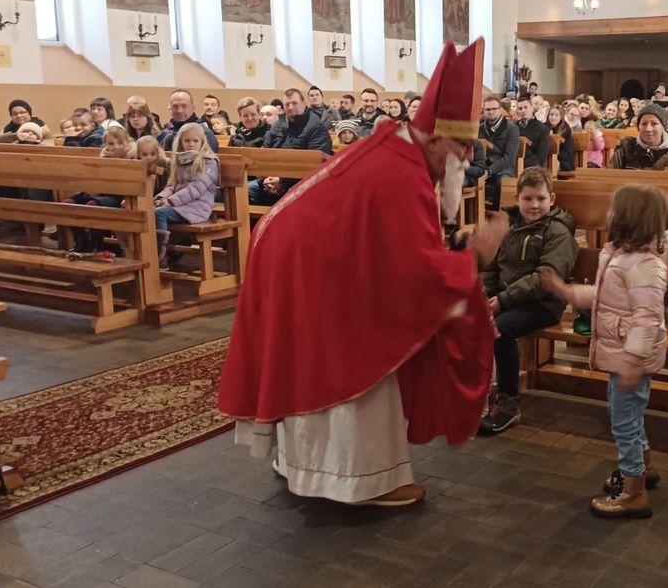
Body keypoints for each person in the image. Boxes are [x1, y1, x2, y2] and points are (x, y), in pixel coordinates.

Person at [219, 39, 507, 508]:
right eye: (462, 147)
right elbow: (413, 275)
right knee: (359, 352)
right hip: (311, 266)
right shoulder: (405, 174)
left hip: (297, 255)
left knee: (315, 351)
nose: (465, 161)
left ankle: (300, 462)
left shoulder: (399, 147)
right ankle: (363, 480)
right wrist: (474, 258)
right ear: (436, 138)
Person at [540, 184, 668, 519]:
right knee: (629, 417)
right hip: (623, 352)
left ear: (630, 219)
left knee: (623, 423)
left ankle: (633, 493)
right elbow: (605, 297)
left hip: (629, 356)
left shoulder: (644, 265)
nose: (608, 214)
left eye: (614, 210)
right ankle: (643, 467)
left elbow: (647, 319)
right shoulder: (623, 256)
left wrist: (632, 361)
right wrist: (567, 292)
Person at [480, 168, 578, 435]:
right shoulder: (509, 227)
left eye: (541, 199)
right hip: (508, 297)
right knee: (469, 317)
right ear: (517, 198)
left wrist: (502, 300)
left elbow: (546, 277)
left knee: (501, 329)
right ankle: (476, 392)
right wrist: (485, 295)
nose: (534, 205)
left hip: (544, 301)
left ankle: (509, 402)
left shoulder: (558, 231)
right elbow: (491, 266)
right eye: (528, 199)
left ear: (552, 199)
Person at [248, 88, 334, 206]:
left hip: (299, 184)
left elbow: (316, 164)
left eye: (294, 103)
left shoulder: (316, 127)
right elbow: (264, 153)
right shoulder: (278, 124)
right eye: (287, 104)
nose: (290, 107)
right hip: (269, 180)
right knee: (244, 191)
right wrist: (265, 178)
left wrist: (283, 182)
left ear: (304, 104)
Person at [153, 122, 220, 268]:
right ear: (181, 142)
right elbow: (171, 185)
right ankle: (145, 254)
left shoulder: (209, 162)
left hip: (197, 207)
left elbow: (196, 189)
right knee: (149, 210)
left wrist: (170, 202)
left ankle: (160, 257)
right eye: (187, 140)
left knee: (160, 214)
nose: (191, 144)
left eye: (195, 141)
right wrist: (160, 198)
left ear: (202, 142)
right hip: (180, 205)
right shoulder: (179, 160)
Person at [479, 97, 519, 210]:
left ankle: (498, 215)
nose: (490, 112)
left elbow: (509, 158)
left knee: (501, 183)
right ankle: (474, 215)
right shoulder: (480, 128)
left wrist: (490, 171)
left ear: (500, 110)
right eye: (487, 109)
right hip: (484, 166)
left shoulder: (511, 128)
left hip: (503, 168)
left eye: (493, 109)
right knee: (466, 178)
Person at [608, 103, 668, 170]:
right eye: (644, 124)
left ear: (663, 127)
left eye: (654, 124)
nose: (648, 129)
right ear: (638, 127)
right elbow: (609, 174)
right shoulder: (627, 147)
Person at [513, 98, 549, 169]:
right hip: (513, 165)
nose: (523, 110)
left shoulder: (542, 129)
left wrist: (521, 165)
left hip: (532, 167)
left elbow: (541, 155)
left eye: (526, 107)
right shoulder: (513, 128)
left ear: (532, 108)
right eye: (520, 108)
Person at [546, 104, 576, 174]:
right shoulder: (543, 127)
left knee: (551, 163)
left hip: (563, 161)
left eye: (556, 115)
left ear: (561, 117)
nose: (553, 117)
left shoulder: (566, 130)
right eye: (551, 114)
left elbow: (568, 152)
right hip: (546, 158)